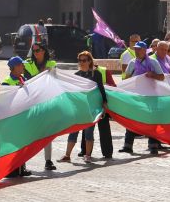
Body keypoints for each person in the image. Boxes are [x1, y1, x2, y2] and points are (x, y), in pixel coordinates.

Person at [61, 52, 110, 163]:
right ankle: (67, 155)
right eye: (80, 60)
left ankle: (87, 155)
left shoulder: (96, 74)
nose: (82, 63)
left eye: (84, 60)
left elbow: (101, 89)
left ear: (89, 61)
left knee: (89, 132)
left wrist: (104, 103)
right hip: (78, 108)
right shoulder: (76, 75)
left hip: (91, 108)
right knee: (73, 131)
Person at [119, 41, 165, 155]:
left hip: (151, 96)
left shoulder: (153, 62)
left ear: (145, 50)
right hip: (136, 96)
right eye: (135, 49)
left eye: (139, 49)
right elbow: (126, 79)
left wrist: (152, 75)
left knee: (152, 120)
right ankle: (128, 146)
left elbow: (162, 77)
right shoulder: (132, 63)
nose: (136, 51)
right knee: (132, 119)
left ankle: (153, 145)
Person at [22, 41, 57, 170]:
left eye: (38, 50)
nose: (35, 53)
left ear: (43, 51)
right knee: (29, 134)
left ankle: (48, 161)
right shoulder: (28, 64)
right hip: (31, 102)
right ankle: (22, 163)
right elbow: (28, 80)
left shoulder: (51, 64)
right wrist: (43, 75)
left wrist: (46, 75)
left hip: (46, 102)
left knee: (47, 132)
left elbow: (54, 81)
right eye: (34, 51)